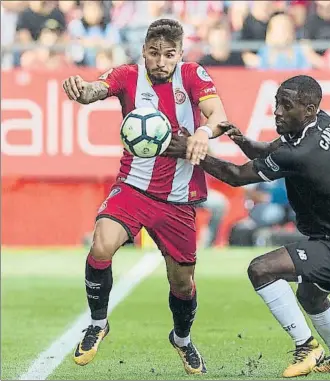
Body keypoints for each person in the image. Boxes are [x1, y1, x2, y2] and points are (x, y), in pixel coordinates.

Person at [165, 75, 330, 377]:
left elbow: (237, 176)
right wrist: (239, 139)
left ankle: (307, 347)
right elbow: (270, 153)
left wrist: (191, 150)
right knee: (310, 296)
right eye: (277, 102)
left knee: (261, 269)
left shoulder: (303, 153)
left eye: (285, 105)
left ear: (309, 109)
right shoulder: (322, 123)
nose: (277, 111)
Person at [62, 18, 227, 374]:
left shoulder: (194, 76)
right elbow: (96, 90)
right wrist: (82, 90)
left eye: (170, 54)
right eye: (155, 53)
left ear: (180, 54)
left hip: (179, 197)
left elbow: (218, 115)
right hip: (134, 186)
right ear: (144, 52)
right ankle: (98, 322)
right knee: (101, 244)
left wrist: (202, 132)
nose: (162, 61)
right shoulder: (127, 76)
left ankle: (182, 339)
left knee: (182, 282)